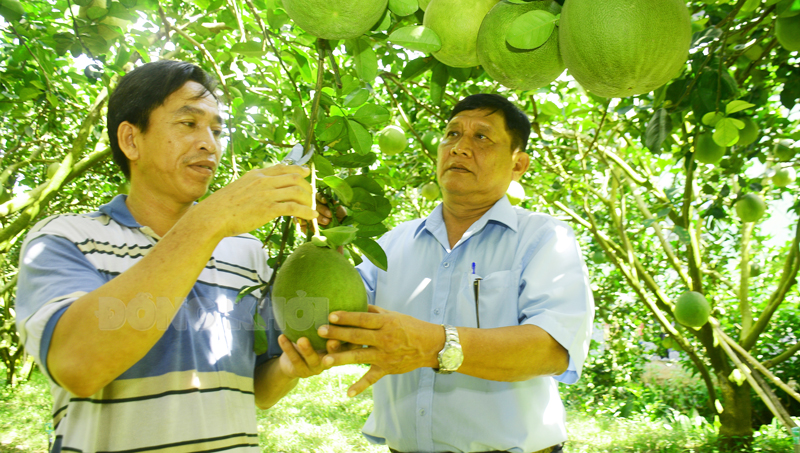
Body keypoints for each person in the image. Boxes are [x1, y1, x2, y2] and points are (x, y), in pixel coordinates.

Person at [15, 60, 330, 452]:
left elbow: (258, 390)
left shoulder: (246, 253)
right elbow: (79, 365)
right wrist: (212, 219)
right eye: (188, 123)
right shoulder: (66, 238)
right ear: (131, 140)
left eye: (216, 131)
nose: (209, 144)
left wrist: (289, 367)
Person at [318, 94, 595, 453]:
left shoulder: (543, 238)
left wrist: (434, 344)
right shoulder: (392, 244)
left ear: (518, 164)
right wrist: (328, 250)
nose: (460, 147)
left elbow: (553, 350)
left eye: (482, 137)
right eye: (451, 134)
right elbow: (339, 321)